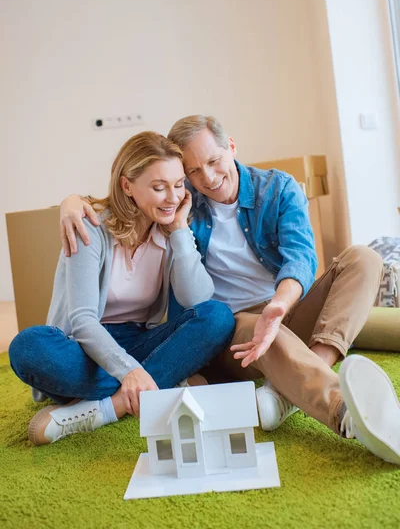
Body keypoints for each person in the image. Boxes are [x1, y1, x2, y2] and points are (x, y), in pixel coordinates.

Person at [58, 116, 400, 465]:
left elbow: (301, 258)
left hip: (286, 305)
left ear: (231, 147)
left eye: (213, 161)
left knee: (364, 258)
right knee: (258, 327)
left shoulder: (277, 188)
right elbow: (129, 195)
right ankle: (342, 407)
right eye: (192, 171)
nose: (206, 177)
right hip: (235, 329)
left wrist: (279, 306)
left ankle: (289, 390)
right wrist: (70, 202)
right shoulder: (183, 204)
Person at [8, 131, 235, 446]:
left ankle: (106, 408)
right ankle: (161, 384)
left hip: (139, 341)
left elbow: (197, 299)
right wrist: (128, 371)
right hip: (84, 347)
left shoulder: (171, 229)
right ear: (127, 185)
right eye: (158, 187)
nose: (172, 197)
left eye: (179, 184)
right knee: (28, 347)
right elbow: (83, 320)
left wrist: (180, 231)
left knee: (218, 316)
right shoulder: (91, 226)